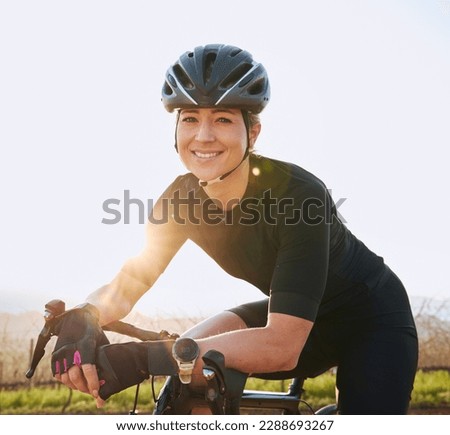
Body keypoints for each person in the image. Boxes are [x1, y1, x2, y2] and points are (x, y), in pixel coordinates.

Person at [51, 44, 418, 414]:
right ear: (176, 128)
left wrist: (142, 358)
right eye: (190, 118)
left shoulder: (300, 195)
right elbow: (129, 283)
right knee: (180, 375)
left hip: (369, 320)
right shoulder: (181, 198)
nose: (204, 136)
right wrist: (85, 314)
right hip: (289, 311)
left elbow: (282, 346)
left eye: (223, 119)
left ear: (253, 132)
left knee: (176, 356)